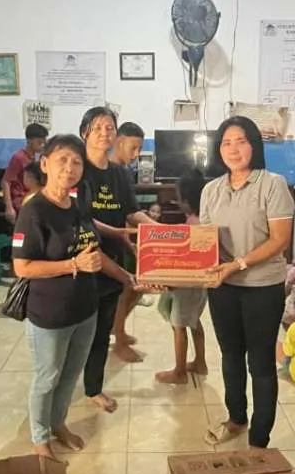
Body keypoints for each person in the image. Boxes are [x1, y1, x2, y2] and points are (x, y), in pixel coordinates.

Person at [12, 134, 140, 457]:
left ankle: (58, 423)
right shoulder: (34, 211)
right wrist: (72, 264)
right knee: (47, 376)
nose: (70, 167)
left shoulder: (78, 206)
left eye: (76, 161)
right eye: (62, 160)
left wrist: (128, 277)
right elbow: (22, 267)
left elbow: (94, 253)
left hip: (86, 310)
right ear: (45, 164)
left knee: (69, 375)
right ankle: (40, 437)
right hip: (50, 314)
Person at [201, 116, 295, 448]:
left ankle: (259, 438)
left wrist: (237, 264)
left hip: (262, 288)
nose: (233, 149)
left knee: (260, 363)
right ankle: (237, 418)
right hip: (223, 288)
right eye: (226, 142)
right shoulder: (211, 190)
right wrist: (177, 270)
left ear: (254, 145)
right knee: (229, 356)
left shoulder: (272, 184)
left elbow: (280, 239)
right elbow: (204, 243)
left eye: (240, 141)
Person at [77, 107, 156, 408]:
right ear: (85, 131)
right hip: (78, 264)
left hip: (110, 264)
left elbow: (131, 212)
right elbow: (79, 218)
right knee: (72, 334)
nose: (104, 132)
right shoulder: (75, 168)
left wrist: (164, 231)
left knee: (99, 332)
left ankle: (93, 388)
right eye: (97, 127)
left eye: (110, 127)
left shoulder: (119, 173)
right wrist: (119, 231)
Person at [155, 169, 210, 386]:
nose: (178, 203)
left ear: (187, 200)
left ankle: (179, 372)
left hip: (187, 286)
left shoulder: (193, 225)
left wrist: (171, 282)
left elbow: (185, 261)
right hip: (200, 285)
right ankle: (200, 362)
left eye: (179, 199)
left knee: (179, 326)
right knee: (194, 321)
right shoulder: (201, 219)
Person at [109, 122, 152, 353]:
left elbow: (128, 211)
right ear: (118, 140)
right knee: (125, 289)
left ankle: (119, 330)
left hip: (122, 240)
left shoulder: (123, 173)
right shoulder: (102, 171)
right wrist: (161, 229)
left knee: (134, 287)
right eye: (133, 148)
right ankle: (119, 340)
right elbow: (131, 214)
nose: (136, 155)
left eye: (139, 150)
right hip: (104, 245)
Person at [2, 123, 49, 223]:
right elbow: (6, 182)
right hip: (21, 202)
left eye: (44, 142)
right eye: (40, 142)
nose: (43, 145)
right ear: (29, 141)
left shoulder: (39, 158)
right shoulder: (18, 158)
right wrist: (9, 207)